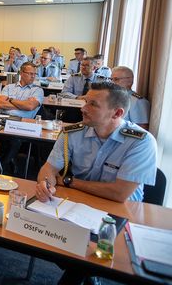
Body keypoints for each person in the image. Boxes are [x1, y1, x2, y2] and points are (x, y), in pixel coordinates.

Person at [35, 82, 157, 285]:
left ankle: (83, 274)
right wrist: (44, 184)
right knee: (41, 233)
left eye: (93, 104)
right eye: (85, 101)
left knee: (77, 254)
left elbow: (119, 193)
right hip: (77, 209)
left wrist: (68, 182)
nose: (83, 108)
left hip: (120, 217)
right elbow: (48, 170)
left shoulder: (141, 142)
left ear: (117, 113)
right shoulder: (71, 132)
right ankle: (87, 274)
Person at [0, 62, 44, 174]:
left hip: (23, 123)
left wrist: (11, 100)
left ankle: (3, 167)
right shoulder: (9, 87)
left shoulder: (37, 90)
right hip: (3, 119)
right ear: (22, 73)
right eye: (30, 73)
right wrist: (22, 104)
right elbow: (0, 104)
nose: (33, 76)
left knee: (15, 140)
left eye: (34, 74)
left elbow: (30, 106)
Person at [110, 66, 150, 130]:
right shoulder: (111, 97)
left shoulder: (137, 101)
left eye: (116, 79)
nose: (112, 82)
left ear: (129, 81)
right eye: (111, 79)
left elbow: (140, 131)